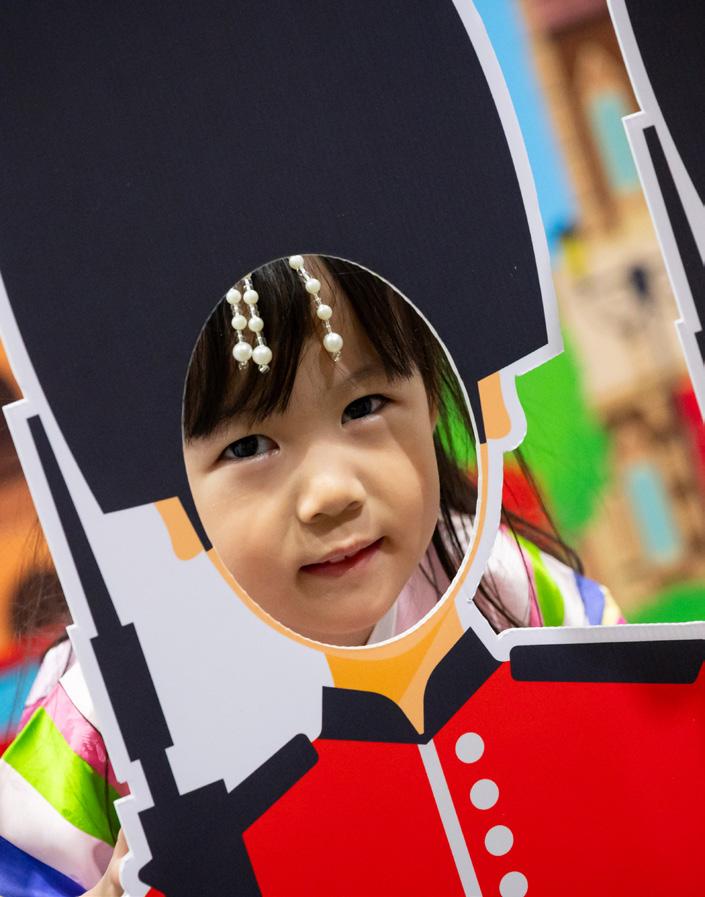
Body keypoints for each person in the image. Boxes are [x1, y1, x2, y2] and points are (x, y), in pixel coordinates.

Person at [0, 255, 622, 897]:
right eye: (247, 447)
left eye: (364, 406)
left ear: (435, 397)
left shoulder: (506, 593)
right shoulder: (105, 714)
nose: (331, 492)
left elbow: (638, 768)